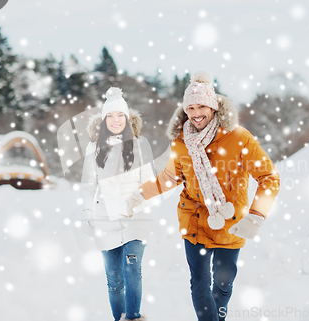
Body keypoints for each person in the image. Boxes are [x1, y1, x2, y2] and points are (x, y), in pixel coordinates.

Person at [126, 71, 280, 321]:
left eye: (201, 106)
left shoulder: (239, 138)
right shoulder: (181, 141)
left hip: (230, 223)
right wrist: (139, 196)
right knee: (199, 283)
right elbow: (170, 178)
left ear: (213, 107)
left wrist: (256, 216)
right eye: (191, 107)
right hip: (194, 220)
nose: (196, 113)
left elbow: (269, 177)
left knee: (223, 284)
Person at [79, 87, 154, 321]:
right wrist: (86, 212)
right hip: (105, 219)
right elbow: (88, 185)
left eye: (120, 115)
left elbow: (150, 184)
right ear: (103, 121)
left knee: (132, 269)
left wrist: (136, 201)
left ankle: (133, 317)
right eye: (110, 116)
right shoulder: (94, 148)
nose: (115, 120)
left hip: (134, 219)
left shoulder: (140, 145)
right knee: (114, 280)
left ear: (127, 119)